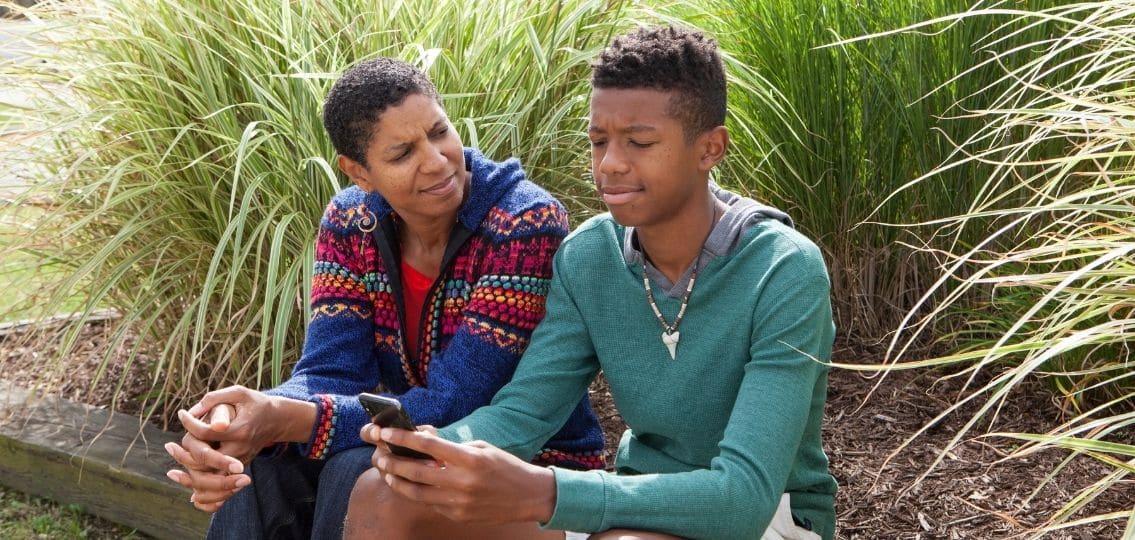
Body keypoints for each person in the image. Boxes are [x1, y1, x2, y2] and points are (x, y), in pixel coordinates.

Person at [344, 25, 838, 540]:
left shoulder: (784, 270)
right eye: (598, 141)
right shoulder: (589, 257)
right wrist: (439, 446)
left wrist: (545, 491)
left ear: (710, 148)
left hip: (772, 518)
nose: (610, 165)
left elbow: (742, 499)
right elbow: (525, 412)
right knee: (385, 494)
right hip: (632, 500)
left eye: (640, 142)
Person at [162, 57, 605, 539]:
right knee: (260, 467)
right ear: (359, 172)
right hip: (406, 448)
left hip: (525, 465)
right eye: (402, 154)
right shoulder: (351, 223)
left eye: (439, 132)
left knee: (354, 468)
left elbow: (459, 400)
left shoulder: (522, 224)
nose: (436, 161)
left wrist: (284, 420)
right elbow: (330, 370)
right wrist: (242, 419)